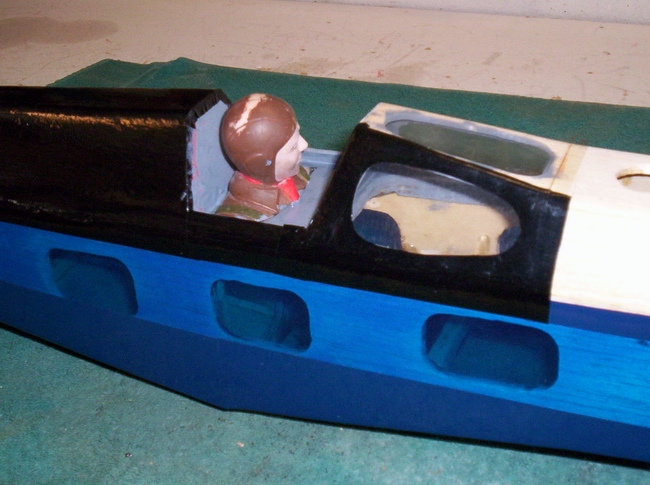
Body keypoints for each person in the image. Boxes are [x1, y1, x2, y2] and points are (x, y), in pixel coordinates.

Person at [215, 93, 310, 221]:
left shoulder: (301, 175)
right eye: (293, 146)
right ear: (259, 164)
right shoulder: (240, 217)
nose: (304, 144)